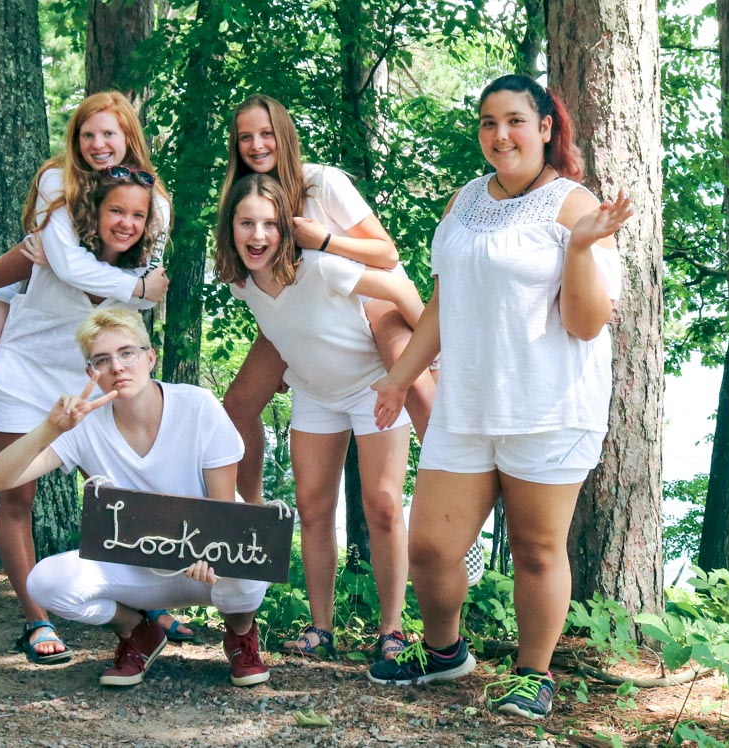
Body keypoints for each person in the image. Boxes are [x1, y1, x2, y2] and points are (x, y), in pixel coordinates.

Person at [0, 91, 188, 660]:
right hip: (25, 361)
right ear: (76, 140)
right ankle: (36, 619)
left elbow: (149, 296)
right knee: (16, 494)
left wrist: (143, 290)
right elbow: (61, 269)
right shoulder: (60, 192)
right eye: (88, 134)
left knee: (117, 491)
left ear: (129, 140)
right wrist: (138, 287)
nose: (99, 145)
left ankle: (145, 603)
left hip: (93, 368)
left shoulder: (153, 204)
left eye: (110, 135)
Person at [365, 74, 632, 720]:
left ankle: (532, 672)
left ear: (545, 127)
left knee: (537, 549)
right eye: (488, 122)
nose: (500, 135)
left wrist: (583, 247)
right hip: (468, 403)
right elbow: (443, 301)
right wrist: (401, 378)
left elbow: (587, 322)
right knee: (429, 547)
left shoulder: (574, 207)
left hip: (546, 407)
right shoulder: (465, 202)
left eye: (515, 120)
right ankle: (444, 650)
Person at [0, 308, 272, 688]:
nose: (117, 367)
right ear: (92, 373)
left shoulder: (197, 405)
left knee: (253, 565)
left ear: (149, 357)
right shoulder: (83, 425)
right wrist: (49, 429)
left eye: (127, 353)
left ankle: (240, 635)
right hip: (138, 571)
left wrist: (210, 553)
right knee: (46, 582)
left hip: (206, 566)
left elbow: (223, 511)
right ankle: (137, 630)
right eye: (102, 360)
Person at [215, 173, 424, 664]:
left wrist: (428, 354)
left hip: (373, 389)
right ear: (231, 227)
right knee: (311, 508)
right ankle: (321, 627)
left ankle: (392, 631)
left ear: (286, 230)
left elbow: (396, 286)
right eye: (246, 223)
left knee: (384, 505)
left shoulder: (320, 267)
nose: (258, 236)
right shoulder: (239, 281)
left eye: (269, 224)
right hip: (314, 396)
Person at [218, 94, 436, 506]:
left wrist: (325, 241)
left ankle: (452, 492)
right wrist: (288, 348)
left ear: (284, 135)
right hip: (302, 313)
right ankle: (252, 511)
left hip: (372, 299)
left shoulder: (321, 182)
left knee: (419, 391)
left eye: (266, 133)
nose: (257, 144)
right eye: (245, 137)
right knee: (238, 404)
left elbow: (387, 254)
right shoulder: (243, 197)